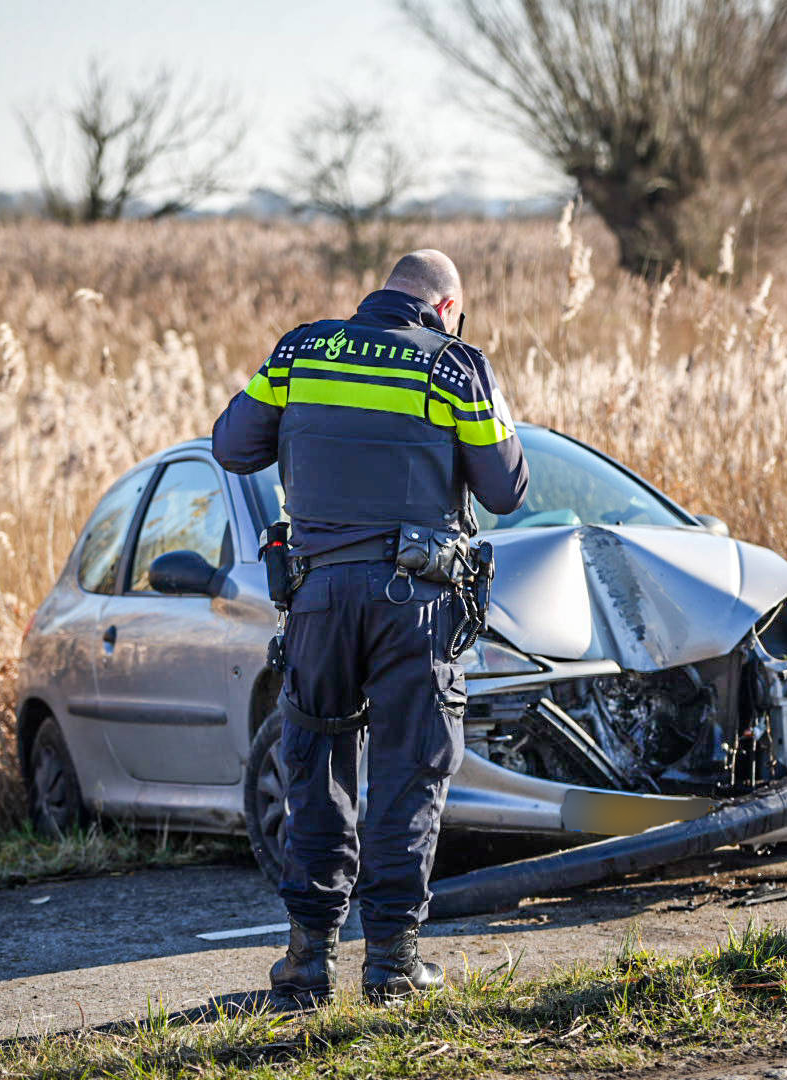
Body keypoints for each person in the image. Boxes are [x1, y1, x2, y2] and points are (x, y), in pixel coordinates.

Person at [211, 249, 528, 1006]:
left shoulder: (300, 350)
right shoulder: (456, 366)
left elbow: (231, 446)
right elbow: (508, 488)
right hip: (415, 604)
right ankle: (391, 964)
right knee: (408, 774)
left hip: (317, 597)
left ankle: (306, 964)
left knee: (315, 768)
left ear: (382, 292)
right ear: (446, 307)